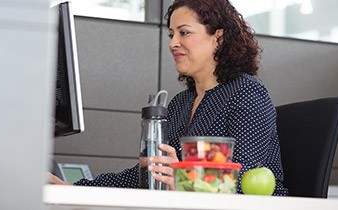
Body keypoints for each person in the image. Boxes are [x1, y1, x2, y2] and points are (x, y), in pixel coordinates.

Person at [49, 0, 289, 196]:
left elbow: (243, 182)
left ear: (218, 38)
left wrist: (183, 179)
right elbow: (144, 176)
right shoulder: (180, 104)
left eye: (184, 33)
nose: (174, 43)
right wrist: (73, 188)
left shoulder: (247, 92)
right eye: (172, 34)